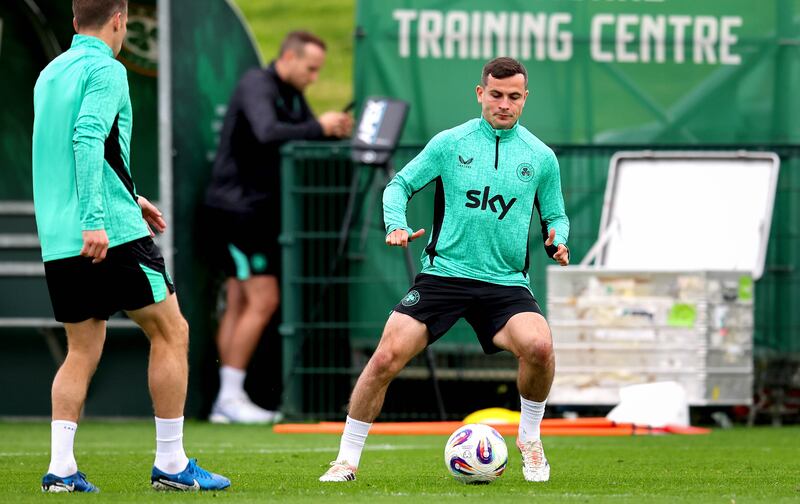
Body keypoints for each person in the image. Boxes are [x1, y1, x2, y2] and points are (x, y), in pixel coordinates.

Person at [319, 57, 570, 483]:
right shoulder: (449, 144)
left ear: (525, 99)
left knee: (541, 348)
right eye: (495, 95)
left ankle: (529, 439)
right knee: (384, 358)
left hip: (505, 284)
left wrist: (558, 238)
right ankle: (345, 460)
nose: (503, 104)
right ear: (480, 93)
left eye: (513, 97)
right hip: (444, 276)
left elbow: (556, 215)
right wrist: (396, 224)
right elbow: (397, 185)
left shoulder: (540, 157)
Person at [32, 0, 229, 492]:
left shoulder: (50, 73)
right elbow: (87, 138)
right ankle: (172, 462)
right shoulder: (108, 69)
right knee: (171, 331)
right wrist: (99, 217)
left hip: (60, 236)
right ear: (119, 19)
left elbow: (72, 153)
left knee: (81, 349)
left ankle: (60, 471)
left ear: (75, 19)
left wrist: (131, 196)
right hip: (108, 233)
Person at [204, 31, 352, 424]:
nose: (315, 77)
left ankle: (226, 399)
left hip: (251, 212)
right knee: (263, 299)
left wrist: (328, 130)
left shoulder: (291, 93)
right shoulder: (257, 84)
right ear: (288, 57)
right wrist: (319, 127)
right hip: (238, 212)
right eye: (311, 68)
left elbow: (302, 133)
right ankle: (229, 398)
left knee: (240, 300)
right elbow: (268, 132)